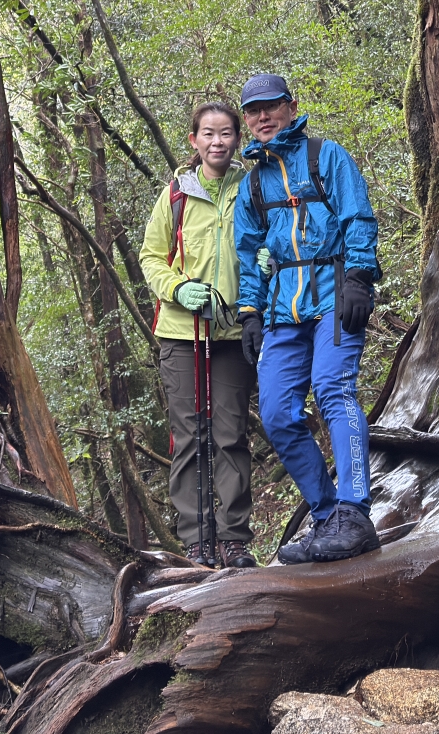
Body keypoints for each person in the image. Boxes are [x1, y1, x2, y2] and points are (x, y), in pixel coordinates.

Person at [232, 72, 382, 565]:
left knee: (334, 389)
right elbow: (248, 254)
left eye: (271, 107)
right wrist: (250, 312)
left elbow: (358, 216)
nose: (262, 117)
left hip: (334, 296)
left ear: (291, 107)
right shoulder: (252, 183)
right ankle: (326, 518)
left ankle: (356, 512)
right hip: (281, 309)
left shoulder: (325, 156)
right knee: (276, 414)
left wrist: (360, 277)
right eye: (253, 111)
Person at [138, 101, 256, 569]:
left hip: (231, 333)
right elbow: (151, 258)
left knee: (229, 434)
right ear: (193, 141)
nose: (217, 142)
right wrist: (179, 288)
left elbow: (265, 244)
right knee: (188, 436)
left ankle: (233, 540)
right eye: (208, 134)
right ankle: (196, 542)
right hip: (180, 333)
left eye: (226, 133)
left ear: (237, 139)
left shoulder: (250, 189)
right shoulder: (177, 194)